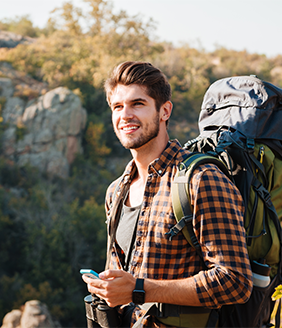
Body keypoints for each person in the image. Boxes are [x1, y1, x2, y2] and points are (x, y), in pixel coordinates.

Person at [82, 61, 252, 327]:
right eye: (117, 106)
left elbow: (234, 282)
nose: (125, 115)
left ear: (164, 111)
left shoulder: (200, 180)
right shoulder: (116, 191)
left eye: (137, 104)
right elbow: (122, 284)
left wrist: (139, 289)